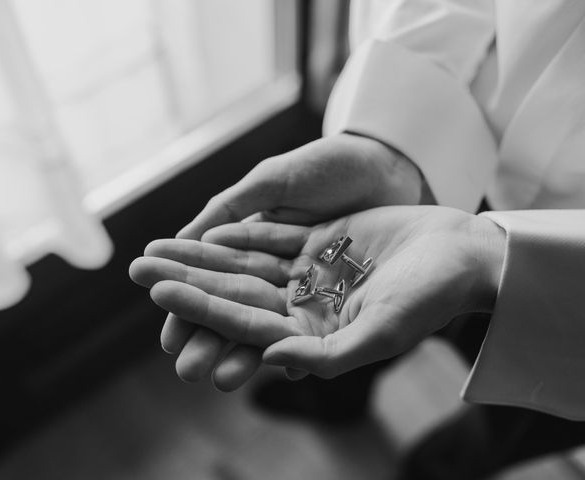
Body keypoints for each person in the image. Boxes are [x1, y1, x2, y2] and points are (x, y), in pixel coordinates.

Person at [130, 1, 585, 478]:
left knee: (513, 414)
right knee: (349, 318)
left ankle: (433, 470)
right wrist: (391, 143)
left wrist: (504, 258)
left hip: (571, 281)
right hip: (451, 148)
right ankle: (335, 398)